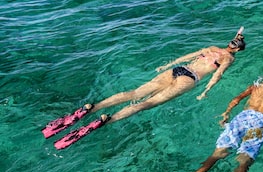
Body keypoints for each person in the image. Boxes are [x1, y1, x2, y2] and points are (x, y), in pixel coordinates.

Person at [42, 28, 246, 149]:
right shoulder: (228, 58)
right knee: (145, 104)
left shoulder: (212, 48)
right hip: (190, 78)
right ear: (238, 49)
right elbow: (217, 75)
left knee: (134, 94)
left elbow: (188, 56)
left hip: (179, 69)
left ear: (230, 42)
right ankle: (107, 119)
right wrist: (205, 91)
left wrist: (166, 65)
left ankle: (94, 107)